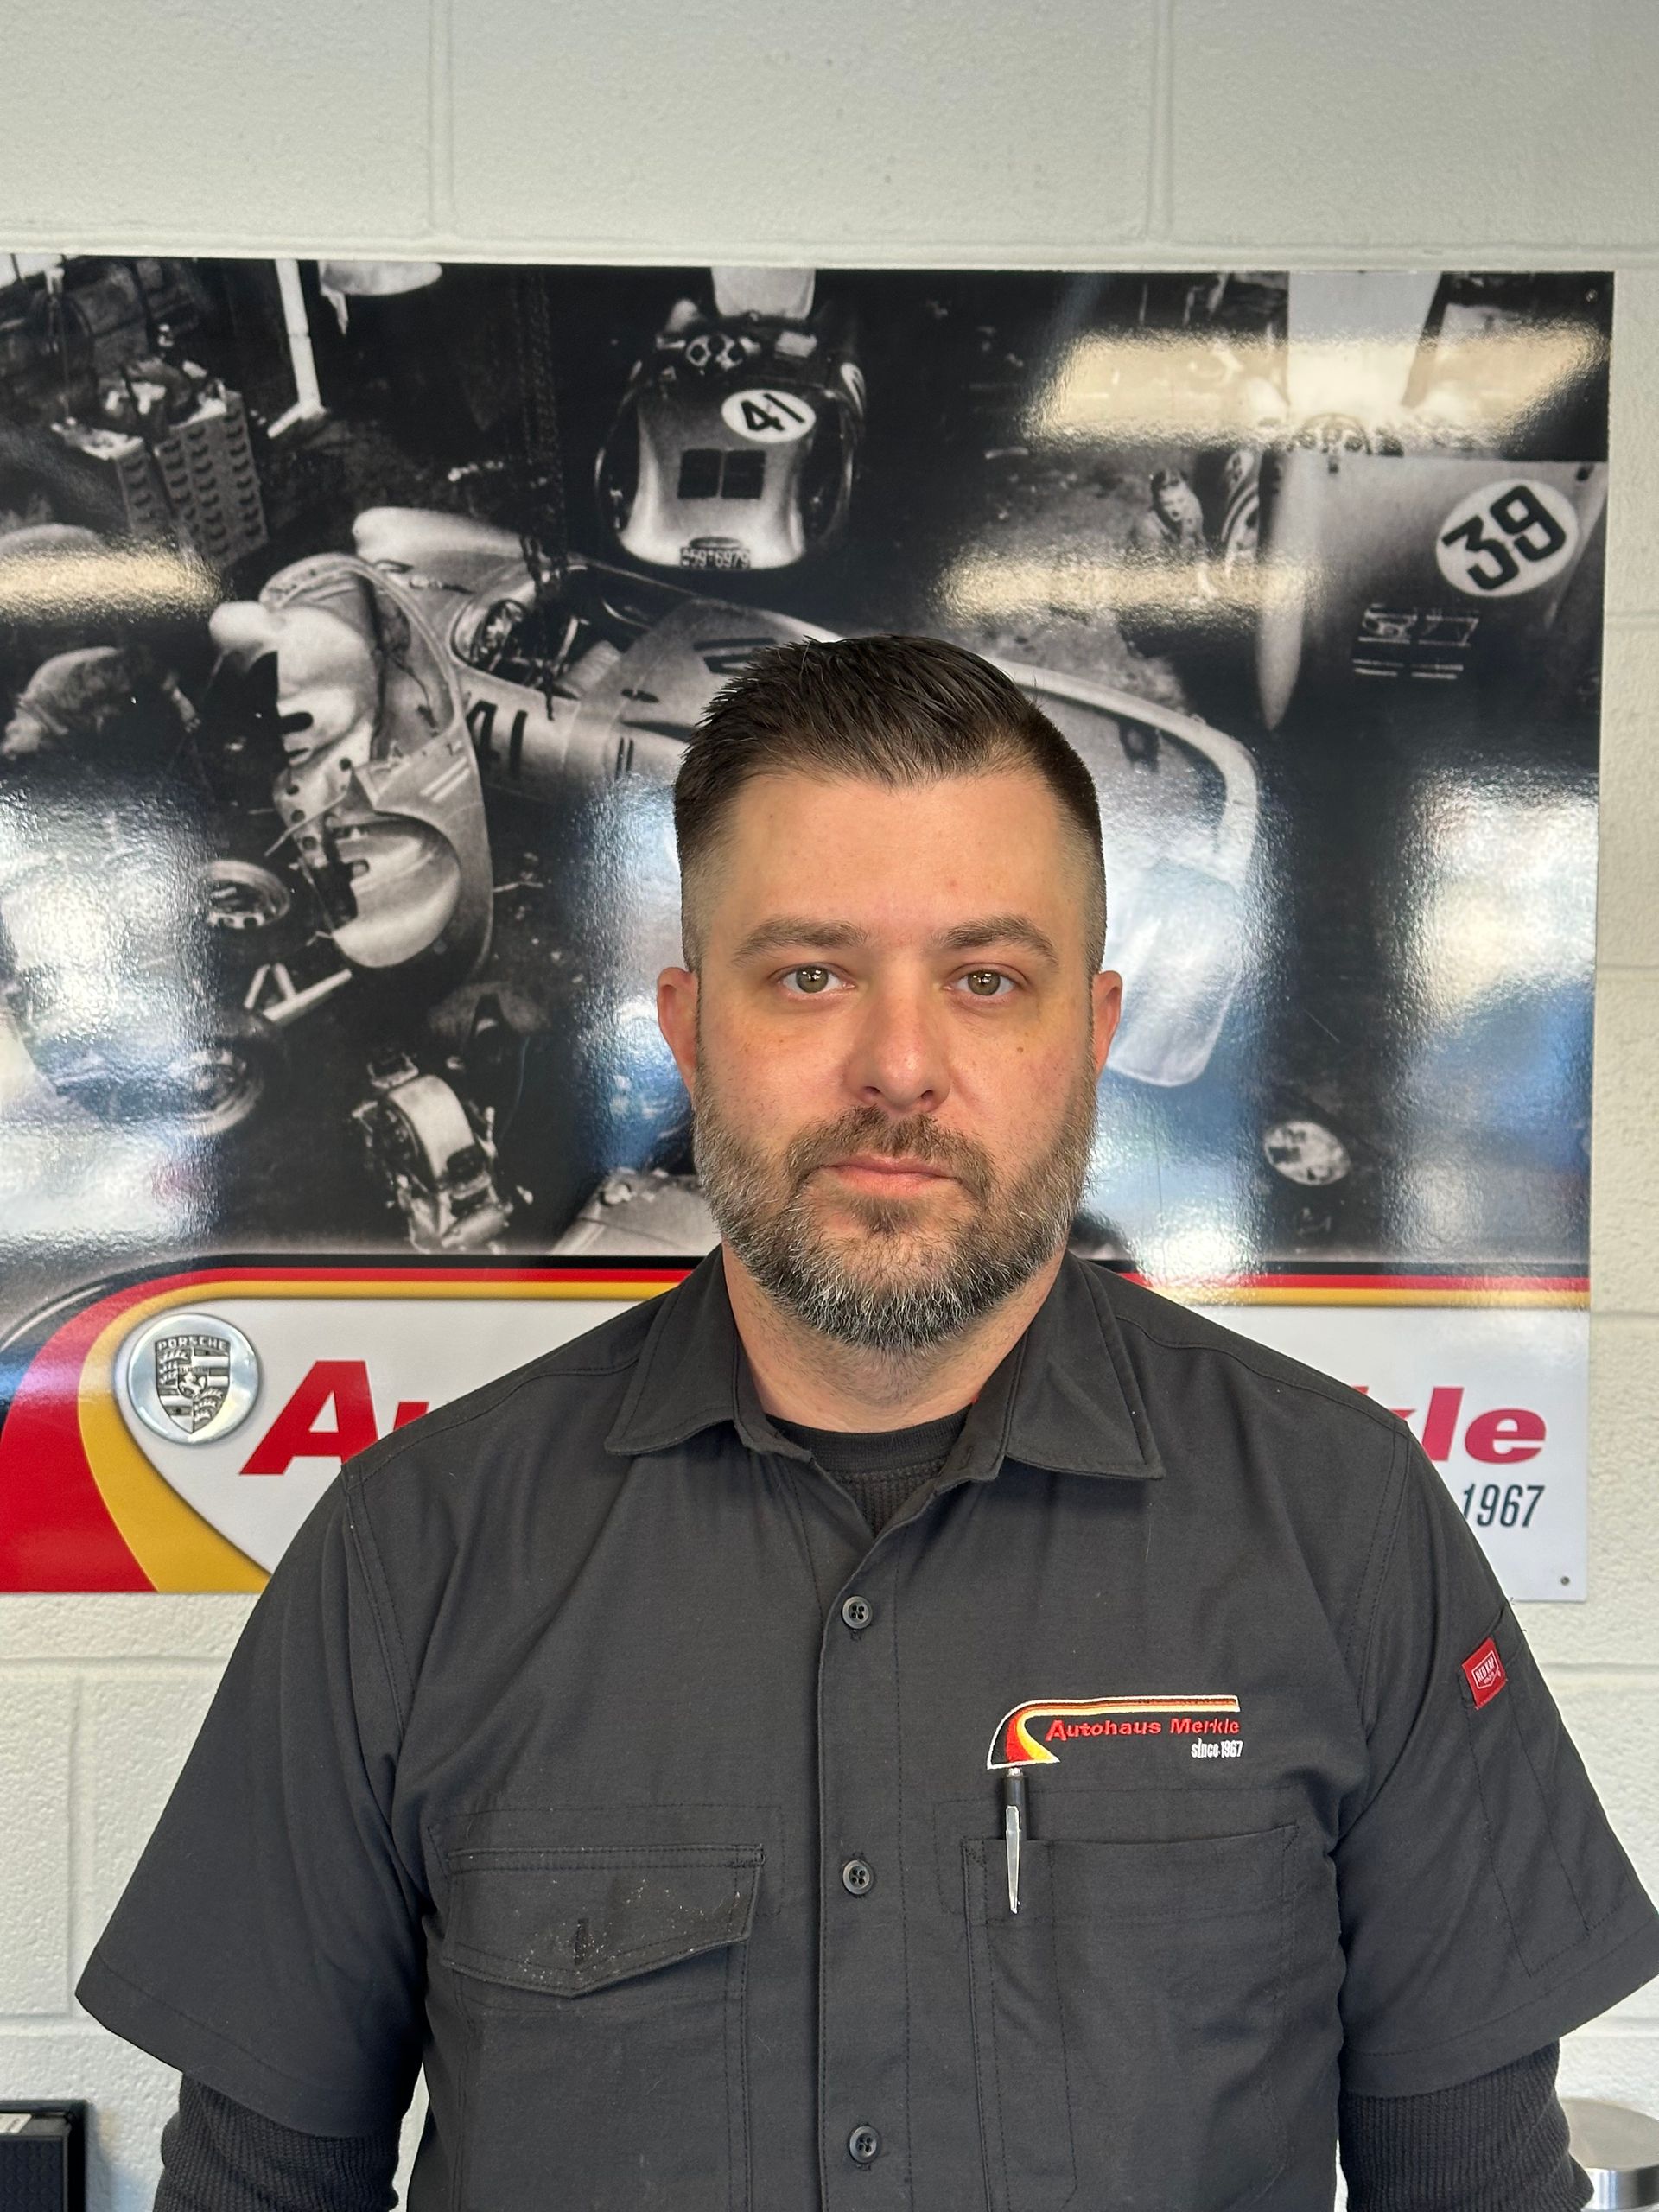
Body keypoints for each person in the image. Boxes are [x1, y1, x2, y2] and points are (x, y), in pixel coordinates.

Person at [81, 635, 1656, 2210]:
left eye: (987, 980)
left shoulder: (1343, 1524)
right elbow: (256, 2192)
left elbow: (1477, 2193)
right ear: (690, 1029)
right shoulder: (411, 1554)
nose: (900, 1067)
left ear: (1094, 1031)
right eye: (811, 974)